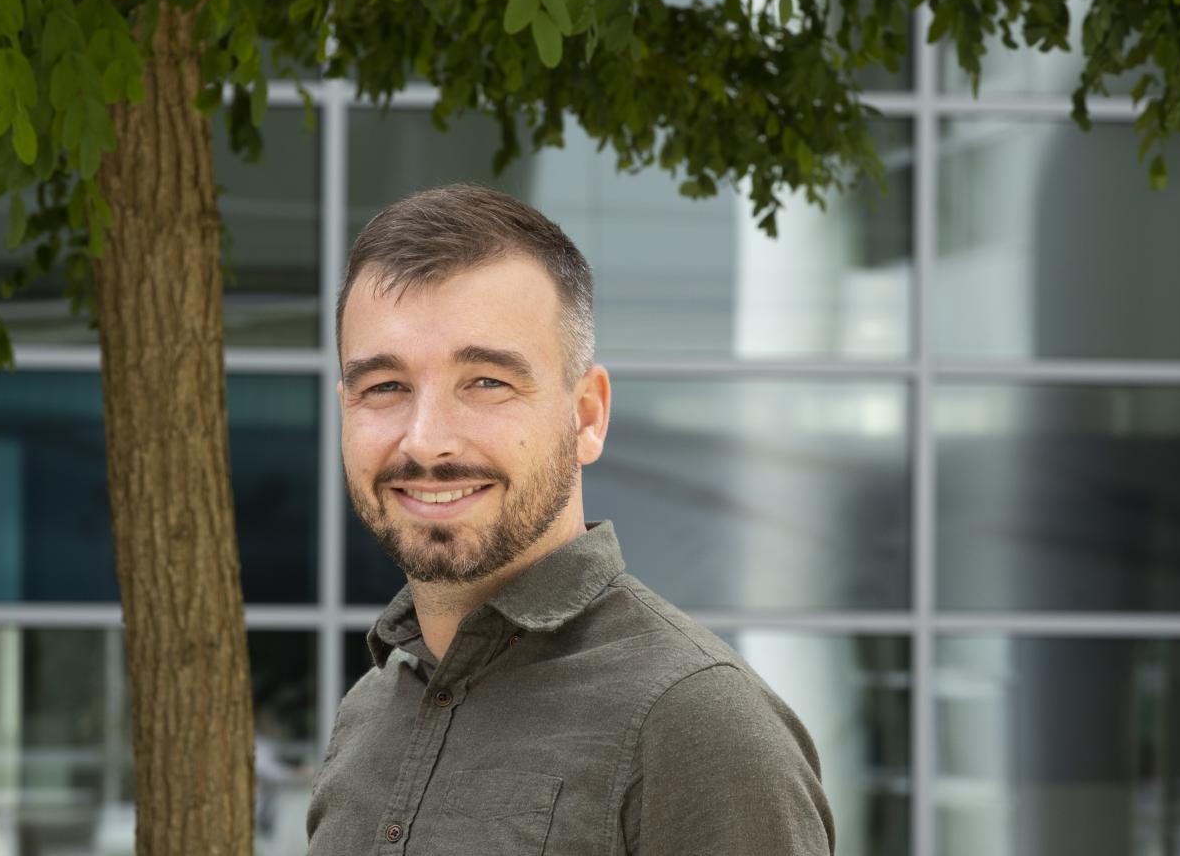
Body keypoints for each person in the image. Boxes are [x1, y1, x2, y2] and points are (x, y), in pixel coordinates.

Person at [307, 183, 834, 855]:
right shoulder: (367, 716)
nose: (425, 440)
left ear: (586, 415)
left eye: (487, 381)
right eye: (385, 387)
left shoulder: (695, 723)